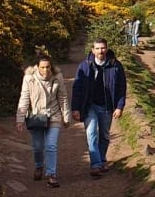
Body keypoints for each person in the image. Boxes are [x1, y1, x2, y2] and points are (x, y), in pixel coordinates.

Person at [70, 36, 127, 179]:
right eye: (97, 48)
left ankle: (101, 160)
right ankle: (95, 165)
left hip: (107, 106)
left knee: (104, 135)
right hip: (89, 106)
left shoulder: (115, 65)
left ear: (107, 49)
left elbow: (122, 87)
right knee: (91, 134)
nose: (100, 51)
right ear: (92, 50)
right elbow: (77, 88)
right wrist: (75, 108)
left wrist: (119, 106)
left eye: (103, 48)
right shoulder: (85, 66)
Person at [16, 50, 71, 188]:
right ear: (37, 67)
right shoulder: (29, 78)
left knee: (51, 145)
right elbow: (24, 98)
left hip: (54, 114)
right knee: (38, 146)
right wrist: (20, 119)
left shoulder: (57, 77)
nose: (45, 70)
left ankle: (51, 175)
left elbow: (63, 97)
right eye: (42, 67)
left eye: (48, 67)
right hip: (36, 116)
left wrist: (66, 116)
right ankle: (39, 166)